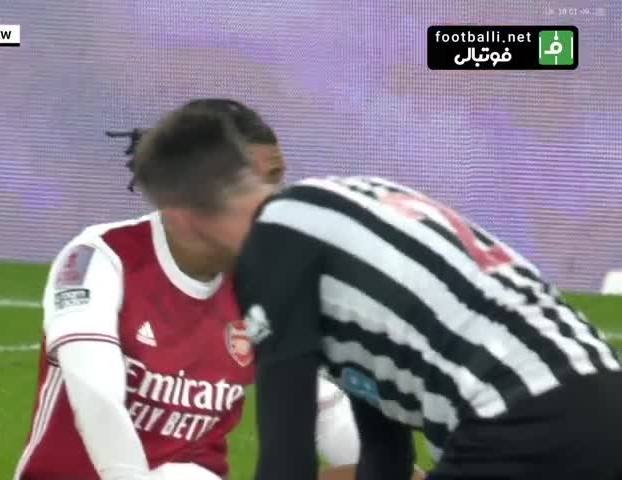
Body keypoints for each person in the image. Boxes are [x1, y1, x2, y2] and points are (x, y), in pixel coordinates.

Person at [129, 106, 622, 480]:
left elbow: (288, 453)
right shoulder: (350, 203)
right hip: (601, 399)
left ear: (181, 218)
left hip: (513, 422)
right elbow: (386, 451)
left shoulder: (272, 248)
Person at [14, 99, 365, 480]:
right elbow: (99, 402)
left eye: (276, 178)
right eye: (249, 184)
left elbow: (323, 407)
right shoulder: (100, 259)